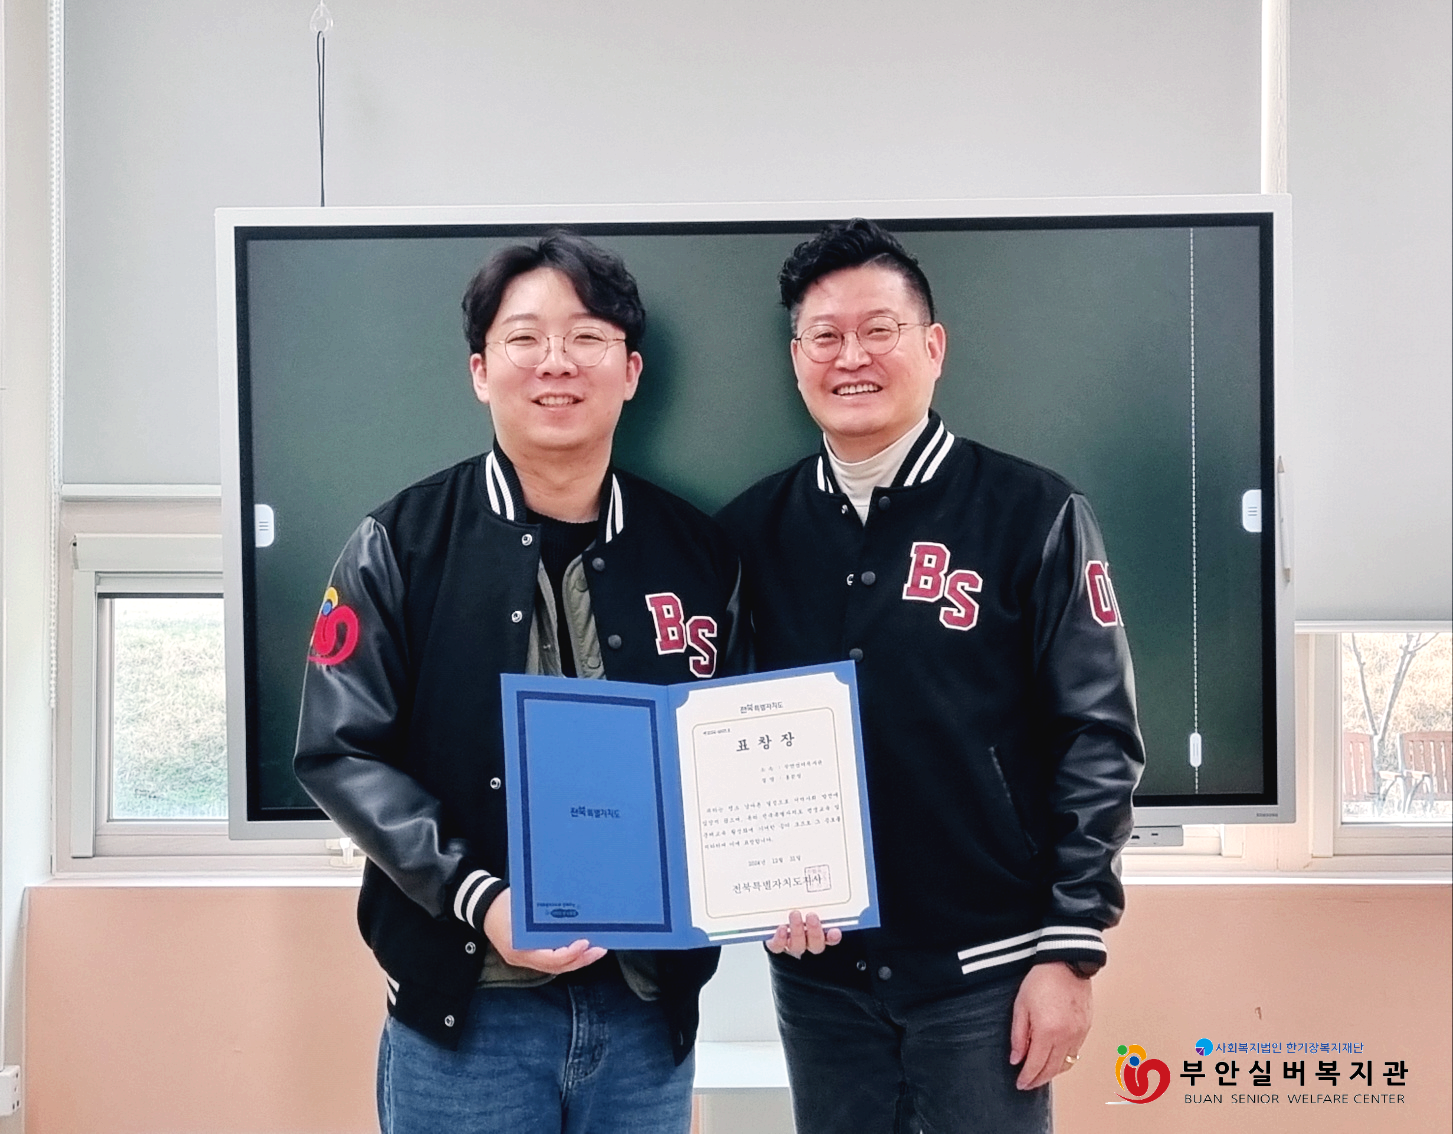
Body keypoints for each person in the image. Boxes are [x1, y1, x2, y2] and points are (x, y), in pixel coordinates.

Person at [294, 231, 745, 1134]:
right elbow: (339, 752)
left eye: (586, 338)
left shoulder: (698, 551)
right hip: (468, 1015)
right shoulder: (398, 544)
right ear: (479, 371)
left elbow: (735, 748)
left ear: (630, 371)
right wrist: (483, 899)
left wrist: (781, 876)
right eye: (525, 338)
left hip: (645, 1011)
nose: (556, 363)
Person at [717, 218, 1144, 1134]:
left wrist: (1070, 950)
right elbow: (723, 733)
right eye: (825, 336)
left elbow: (1098, 737)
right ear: (796, 359)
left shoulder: (1033, 511)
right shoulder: (752, 530)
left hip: (989, 970)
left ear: (933, 347)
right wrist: (756, 885)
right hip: (820, 975)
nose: (851, 357)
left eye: (879, 329)